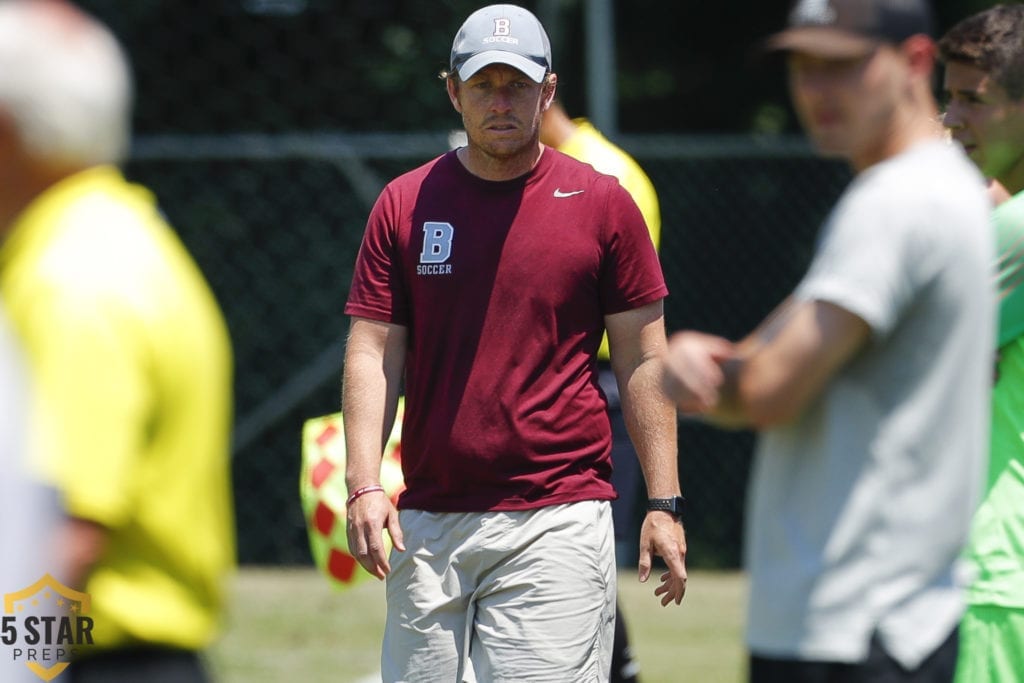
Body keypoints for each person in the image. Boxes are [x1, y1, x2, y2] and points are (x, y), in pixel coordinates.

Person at [342, 4, 686, 681]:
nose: (501, 102)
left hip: (557, 514)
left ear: (548, 91)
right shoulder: (405, 204)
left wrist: (664, 502)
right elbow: (373, 352)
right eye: (482, 85)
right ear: (452, 90)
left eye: (518, 85)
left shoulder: (604, 203)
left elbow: (646, 359)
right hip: (429, 518)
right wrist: (362, 484)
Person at [661, 0, 995, 681]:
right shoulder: (940, 187)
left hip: (851, 624)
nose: (818, 91)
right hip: (897, 616)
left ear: (916, 62)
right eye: (805, 68)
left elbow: (768, 390)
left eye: (843, 66)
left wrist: (697, 372)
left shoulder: (894, 203)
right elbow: (786, 345)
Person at [0, 1, 236, 681]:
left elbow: (66, 536)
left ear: (7, 131)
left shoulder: (67, 282)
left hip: (100, 662)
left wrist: (15, 662)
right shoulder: (132, 242)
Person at [539, 100, 662, 683]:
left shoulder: (602, 174)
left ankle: (616, 670)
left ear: (546, 98)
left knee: (584, 546)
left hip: (598, 376)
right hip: (573, 373)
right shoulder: (551, 165)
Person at [939, 6, 1024, 681]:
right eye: (948, 96)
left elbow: (873, 354)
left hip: (1000, 574)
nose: (949, 119)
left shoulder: (1012, 232)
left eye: (975, 100)